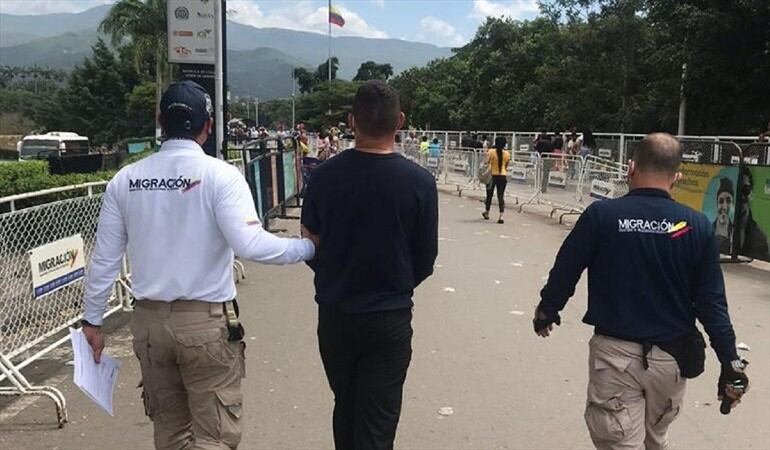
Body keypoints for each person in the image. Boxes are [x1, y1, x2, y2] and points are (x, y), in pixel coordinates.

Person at [80, 80, 316, 450]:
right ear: (208, 126)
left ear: (160, 122)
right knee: (215, 436)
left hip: (149, 326)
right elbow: (250, 243)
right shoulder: (220, 176)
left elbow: (105, 260)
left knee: (171, 433)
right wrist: (307, 248)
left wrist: (92, 321)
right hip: (205, 325)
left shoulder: (125, 180)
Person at [533, 133, 749, 450]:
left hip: (615, 358)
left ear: (630, 167)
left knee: (620, 443)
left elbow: (566, 271)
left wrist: (547, 310)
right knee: (655, 441)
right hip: (671, 363)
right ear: (677, 176)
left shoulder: (601, 216)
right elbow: (712, 304)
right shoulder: (697, 226)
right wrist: (731, 363)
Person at [301, 80, 438, 450]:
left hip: (335, 314)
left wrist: (336, 273)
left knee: (345, 405)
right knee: (378, 419)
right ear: (401, 121)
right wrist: (396, 280)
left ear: (351, 121)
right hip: (389, 316)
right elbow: (426, 258)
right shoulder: (420, 183)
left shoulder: (323, 177)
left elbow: (310, 243)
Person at [482, 136, 511, 224]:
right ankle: (501, 215)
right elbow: (506, 165)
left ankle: (487, 212)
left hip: (492, 175)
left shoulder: (491, 151)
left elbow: (486, 162)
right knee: (500, 196)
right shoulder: (507, 153)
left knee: (489, 195)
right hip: (502, 175)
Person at [713, 177, 734, 254]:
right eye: (721, 201)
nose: (724, 207)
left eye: (728, 201)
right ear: (716, 204)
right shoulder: (708, 229)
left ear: (733, 204)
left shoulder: (735, 233)